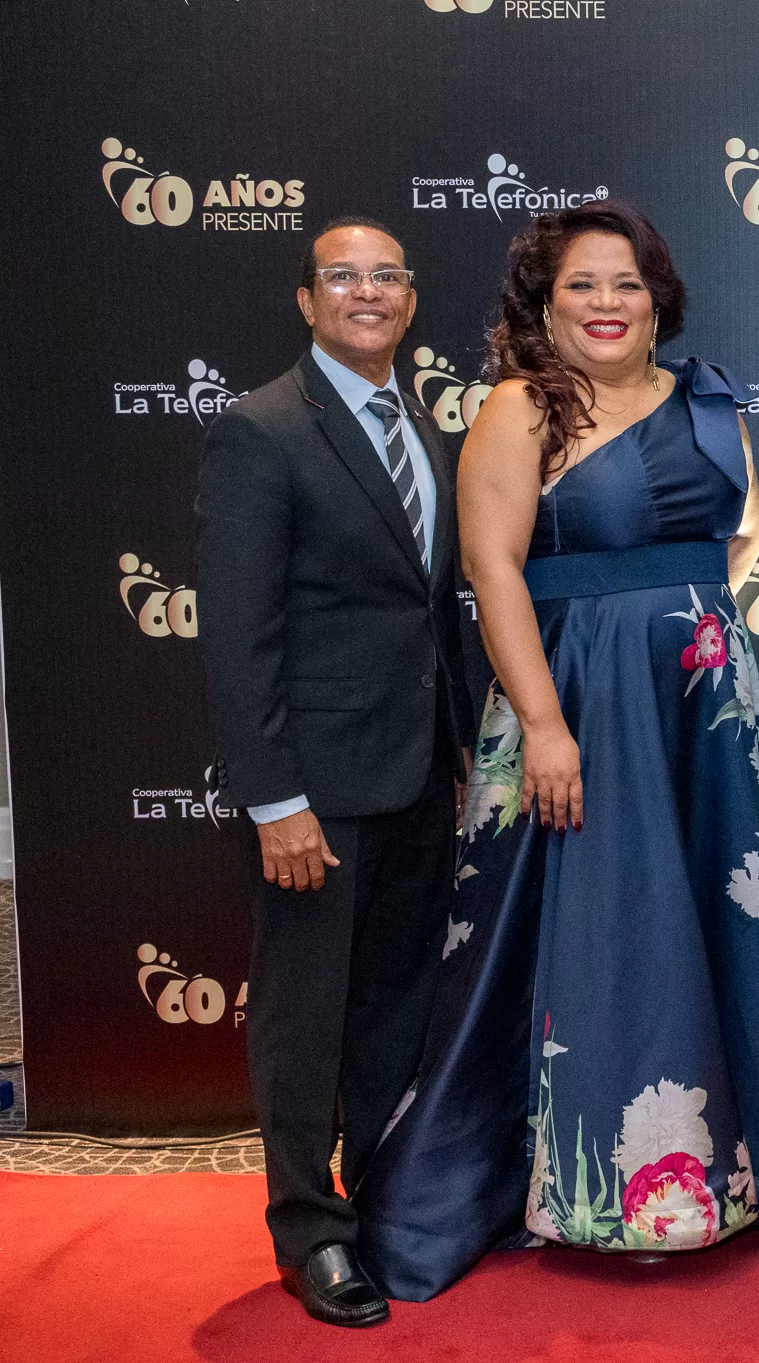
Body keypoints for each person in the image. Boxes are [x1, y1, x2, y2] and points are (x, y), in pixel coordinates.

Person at [352, 201, 759, 1300]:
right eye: (581, 284)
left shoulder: (710, 398)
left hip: (702, 706)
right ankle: (566, 1185)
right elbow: (492, 569)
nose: (607, 303)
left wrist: (690, 634)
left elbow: (739, 534)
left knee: (709, 929)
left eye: (627, 283)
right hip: (573, 702)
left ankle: (730, 1176)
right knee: (596, 934)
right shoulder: (520, 406)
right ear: (544, 302)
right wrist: (546, 722)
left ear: (658, 298)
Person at [196, 216, 473, 1328]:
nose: (369, 291)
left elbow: (427, 613)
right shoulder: (261, 429)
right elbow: (238, 635)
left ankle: (385, 1204)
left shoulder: (425, 424)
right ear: (307, 302)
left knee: (397, 1005)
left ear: (410, 300)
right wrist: (277, 801)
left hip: (418, 776)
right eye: (344, 276)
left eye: (387, 276)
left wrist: (460, 751)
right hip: (313, 792)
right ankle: (310, 1231)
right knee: (304, 1018)